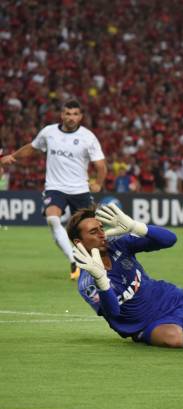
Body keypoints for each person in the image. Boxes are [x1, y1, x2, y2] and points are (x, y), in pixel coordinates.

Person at [67, 204, 183, 348]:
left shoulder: (119, 244)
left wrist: (135, 226)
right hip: (149, 325)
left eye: (101, 228)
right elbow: (113, 312)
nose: (102, 234)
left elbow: (170, 239)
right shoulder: (87, 282)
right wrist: (102, 281)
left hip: (177, 299)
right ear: (79, 242)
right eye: (93, 232)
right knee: (173, 339)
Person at [0, 100, 107, 280]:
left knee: (89, 230)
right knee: (52, 219)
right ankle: (73, 260)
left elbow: (100, 164)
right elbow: (32, 148)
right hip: (55, 187)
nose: (71, 117)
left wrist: (98, 183)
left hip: (79, 189)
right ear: (62, 115)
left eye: (75, 114)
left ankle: (100, 265)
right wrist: (13, 157)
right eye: (68, 113)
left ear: (80, 117)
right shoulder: (49, 132)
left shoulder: (88, 137)